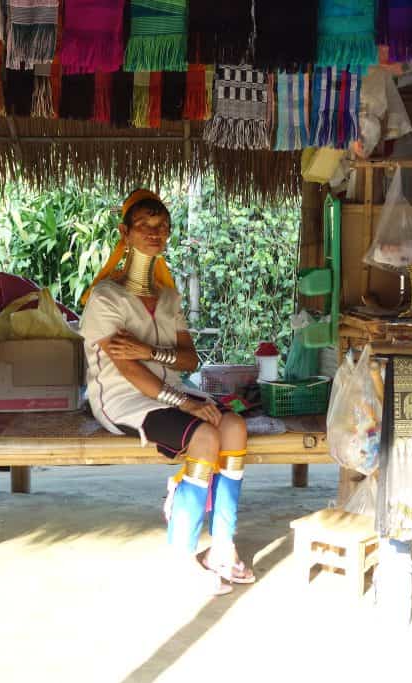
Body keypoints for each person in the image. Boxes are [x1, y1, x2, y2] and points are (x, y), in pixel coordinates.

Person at [79, 189, 255, 596]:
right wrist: (186, 402)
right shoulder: (106, 297)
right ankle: (182, 556)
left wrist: (152, 352)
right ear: (125, 232)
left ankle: (223, 547)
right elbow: (127, 367)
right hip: (123, 400)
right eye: (145, 226)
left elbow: (189, 359)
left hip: (172, 390)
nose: (155, 233)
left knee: (234, 428)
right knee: (206, 435)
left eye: (162, 227)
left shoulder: (169, 297)